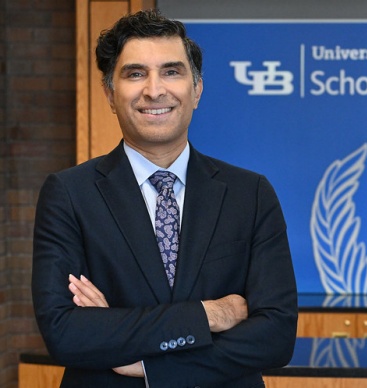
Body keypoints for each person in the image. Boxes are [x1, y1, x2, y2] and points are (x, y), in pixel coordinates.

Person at [31, 9, 298, 387]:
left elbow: (275, 336)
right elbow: (66, 333)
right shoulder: (70, 194)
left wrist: (150, 363)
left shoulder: (250, 194)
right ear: (109, 93)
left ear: (197, 90)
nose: (154, 90)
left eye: (171, 71)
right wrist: (209, 314)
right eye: (135, 73)